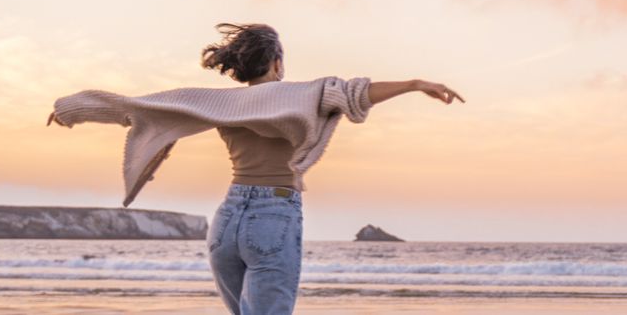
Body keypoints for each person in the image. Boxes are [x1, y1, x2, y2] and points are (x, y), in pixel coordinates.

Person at [48, 23, 465, 314]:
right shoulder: (304, 95)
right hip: (273, 216)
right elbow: (357, 93)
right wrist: (413, 84)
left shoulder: (214, 102)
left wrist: (68, 109)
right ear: (277, 62)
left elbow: (136, 108)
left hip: (226, 222)